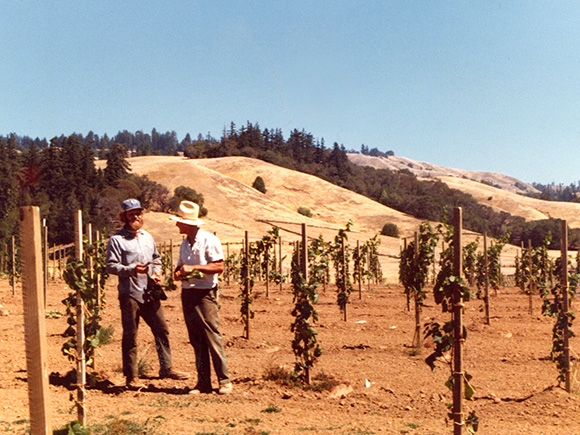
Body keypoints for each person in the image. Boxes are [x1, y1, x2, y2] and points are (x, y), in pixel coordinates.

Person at [106, 198, 189, 389]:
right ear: (124, 217)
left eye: (138, 213)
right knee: (131, 334)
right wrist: (132, 269)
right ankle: (131, 376)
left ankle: (166, 368)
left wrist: (157, 272)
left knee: (161, 329)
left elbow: (156, 258)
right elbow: (111, 266)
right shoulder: (117, 240)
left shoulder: (146, 237)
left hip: (149, 292)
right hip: (130, 293)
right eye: (131, 214)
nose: (136, 216)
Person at [170, 200, 233, 395]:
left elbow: (219, 267)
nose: (176, 224)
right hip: (188, 292)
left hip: (205, 293)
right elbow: (181, 266)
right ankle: (203, 382)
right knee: (196, 338)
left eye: (179, 221)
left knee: (211, 335)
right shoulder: (184, 244)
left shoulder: (209, 240)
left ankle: (224, 380)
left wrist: (194, 268)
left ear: (188, 224)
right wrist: (178, 273)